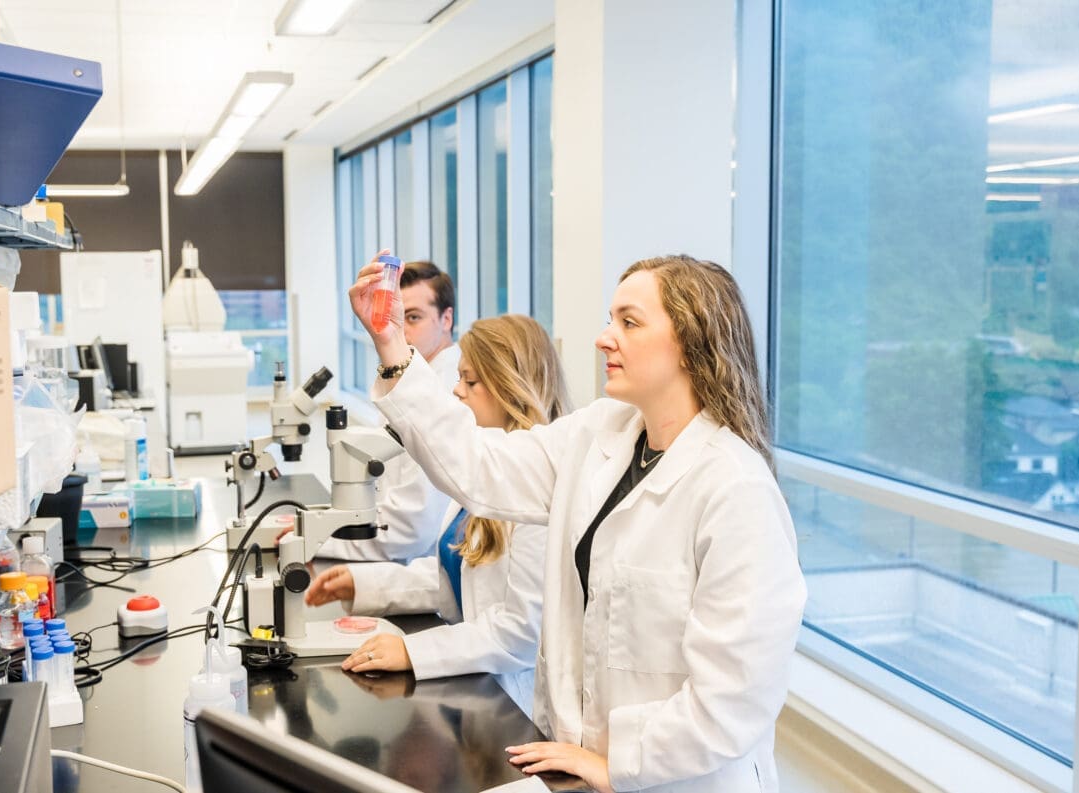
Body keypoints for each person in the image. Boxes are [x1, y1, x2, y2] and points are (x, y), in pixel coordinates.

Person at [346, 250, 807, 793]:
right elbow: (477, 466)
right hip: (577, 762)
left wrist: (618, 764)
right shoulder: (600, 434)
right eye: (612, 320)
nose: (604, 337)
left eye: (629, 322)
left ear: (690, 343)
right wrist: (392, 345)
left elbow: (735, 696)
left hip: (678, 778)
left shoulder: (735, 488)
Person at [304, 315, 571, 711]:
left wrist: (415, 652)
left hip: (514, 702)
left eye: (470, 381)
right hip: (475, 683)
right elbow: (458, 574)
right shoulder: (486, 468)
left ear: (510, 387)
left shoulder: (542, 493)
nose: (457, 392)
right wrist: (365, 584)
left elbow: (520, 632)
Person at [318, 260, 460, 562]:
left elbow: (413, 525)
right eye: (396, 315)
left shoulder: (448, 390)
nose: (401, 331)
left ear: (446, 319)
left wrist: (316, 538)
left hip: (420, 566)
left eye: (413, 317)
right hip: (396, 553)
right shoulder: (409, 377)